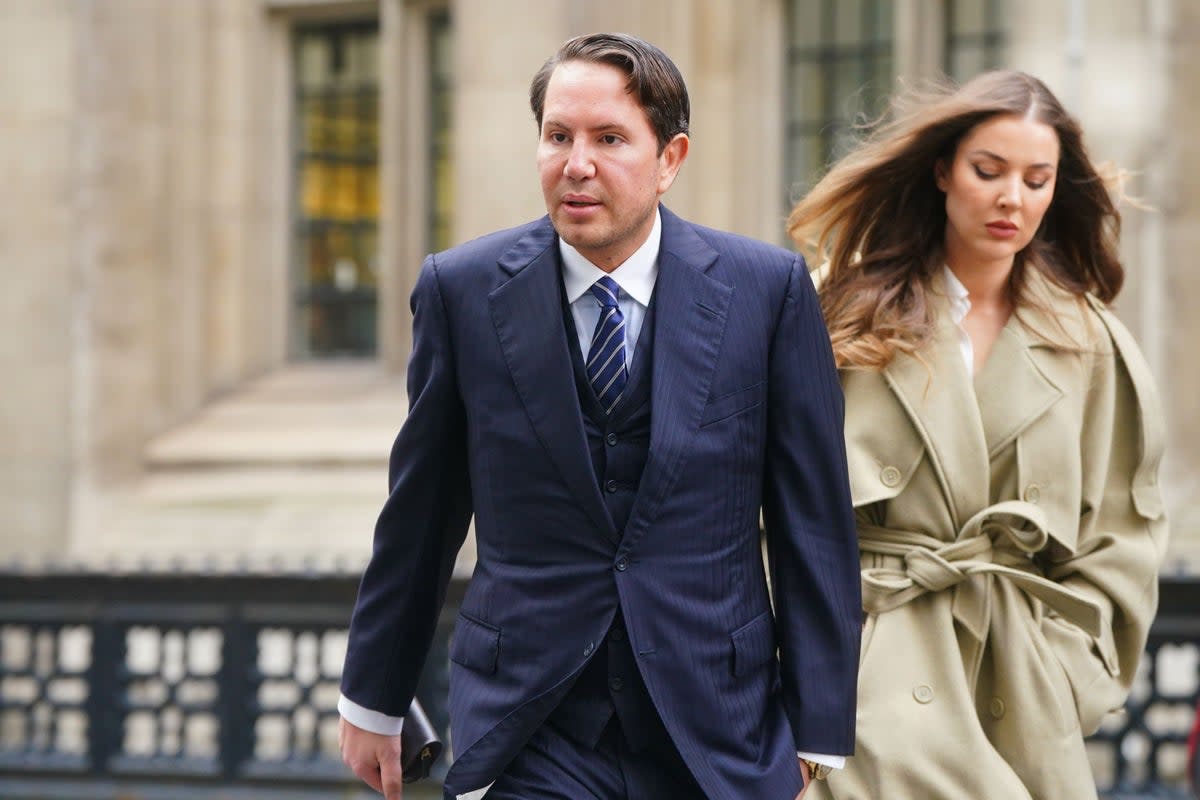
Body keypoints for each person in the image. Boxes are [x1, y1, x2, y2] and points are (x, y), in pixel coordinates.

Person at [337, 32, 861, 800]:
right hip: (529, 726)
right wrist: (372, 697)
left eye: (609, 139)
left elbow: (812, 522)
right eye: (558, 137)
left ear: (670, 158)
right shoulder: (462, 290)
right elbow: (421, 512)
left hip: (718, 728)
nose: (575, 164)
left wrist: (814, 734)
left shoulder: (767, 291)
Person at [787, 70, 1169, 800]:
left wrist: (1066, 677)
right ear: (942, 170)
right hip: (858, 688)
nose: (1010, 199)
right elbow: (767, 508)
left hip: (1017, 697)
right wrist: (793, 691)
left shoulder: (1091, 344)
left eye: (1036, 179)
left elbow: (1125, 536)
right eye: (987, 171)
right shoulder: (836, 309)